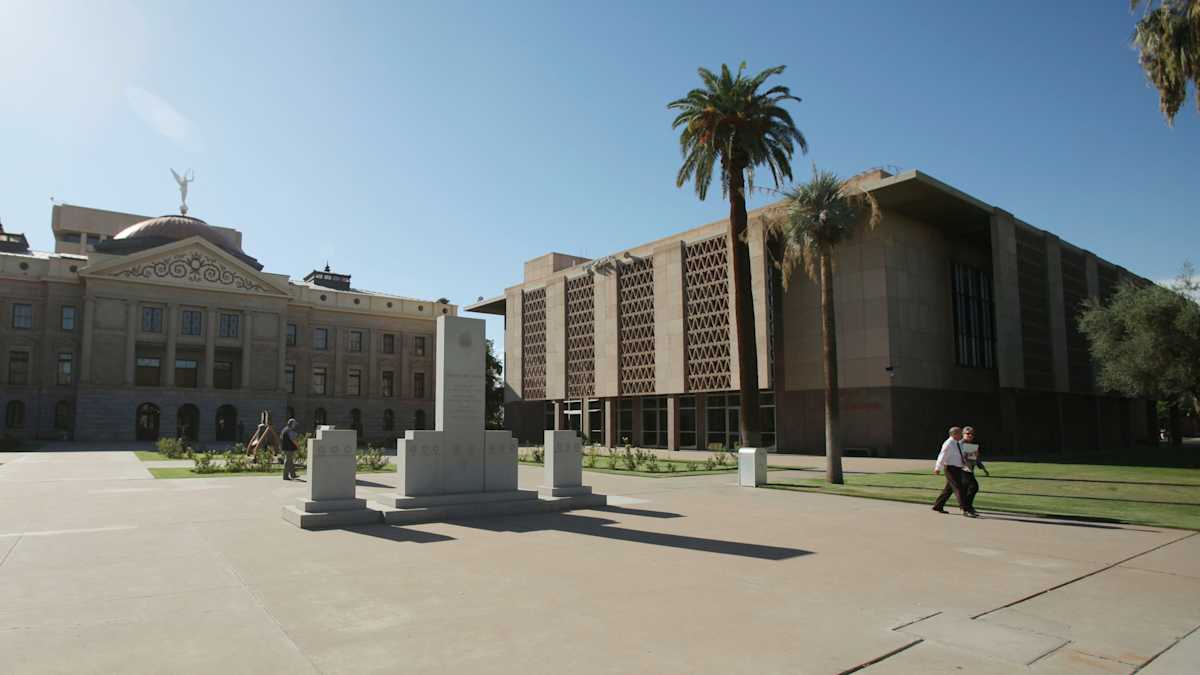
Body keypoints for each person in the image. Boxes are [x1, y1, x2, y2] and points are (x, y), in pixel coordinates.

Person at [932, 426, 977, 517]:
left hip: (957, 468)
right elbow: (942, 455)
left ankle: (938, 506)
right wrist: (937, 468)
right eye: (960, 433)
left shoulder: (957, 443)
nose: (961, 434)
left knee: (948, 490)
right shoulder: (948, 443)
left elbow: (963, 455)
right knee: (958, 488)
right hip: (950, 468)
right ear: (954, 434)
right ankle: (964, 509)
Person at [961, 426, 989, 513]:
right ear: (963, 434)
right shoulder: (960, 444)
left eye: (972, 434)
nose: (970, 435)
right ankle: (967, 507)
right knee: (974, 487)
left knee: (965, 489)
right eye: (968, 433)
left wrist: (983, 468)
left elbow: (975, 459)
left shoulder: (970, 445)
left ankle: (966, 507)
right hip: (962, 470)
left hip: (969, 470)